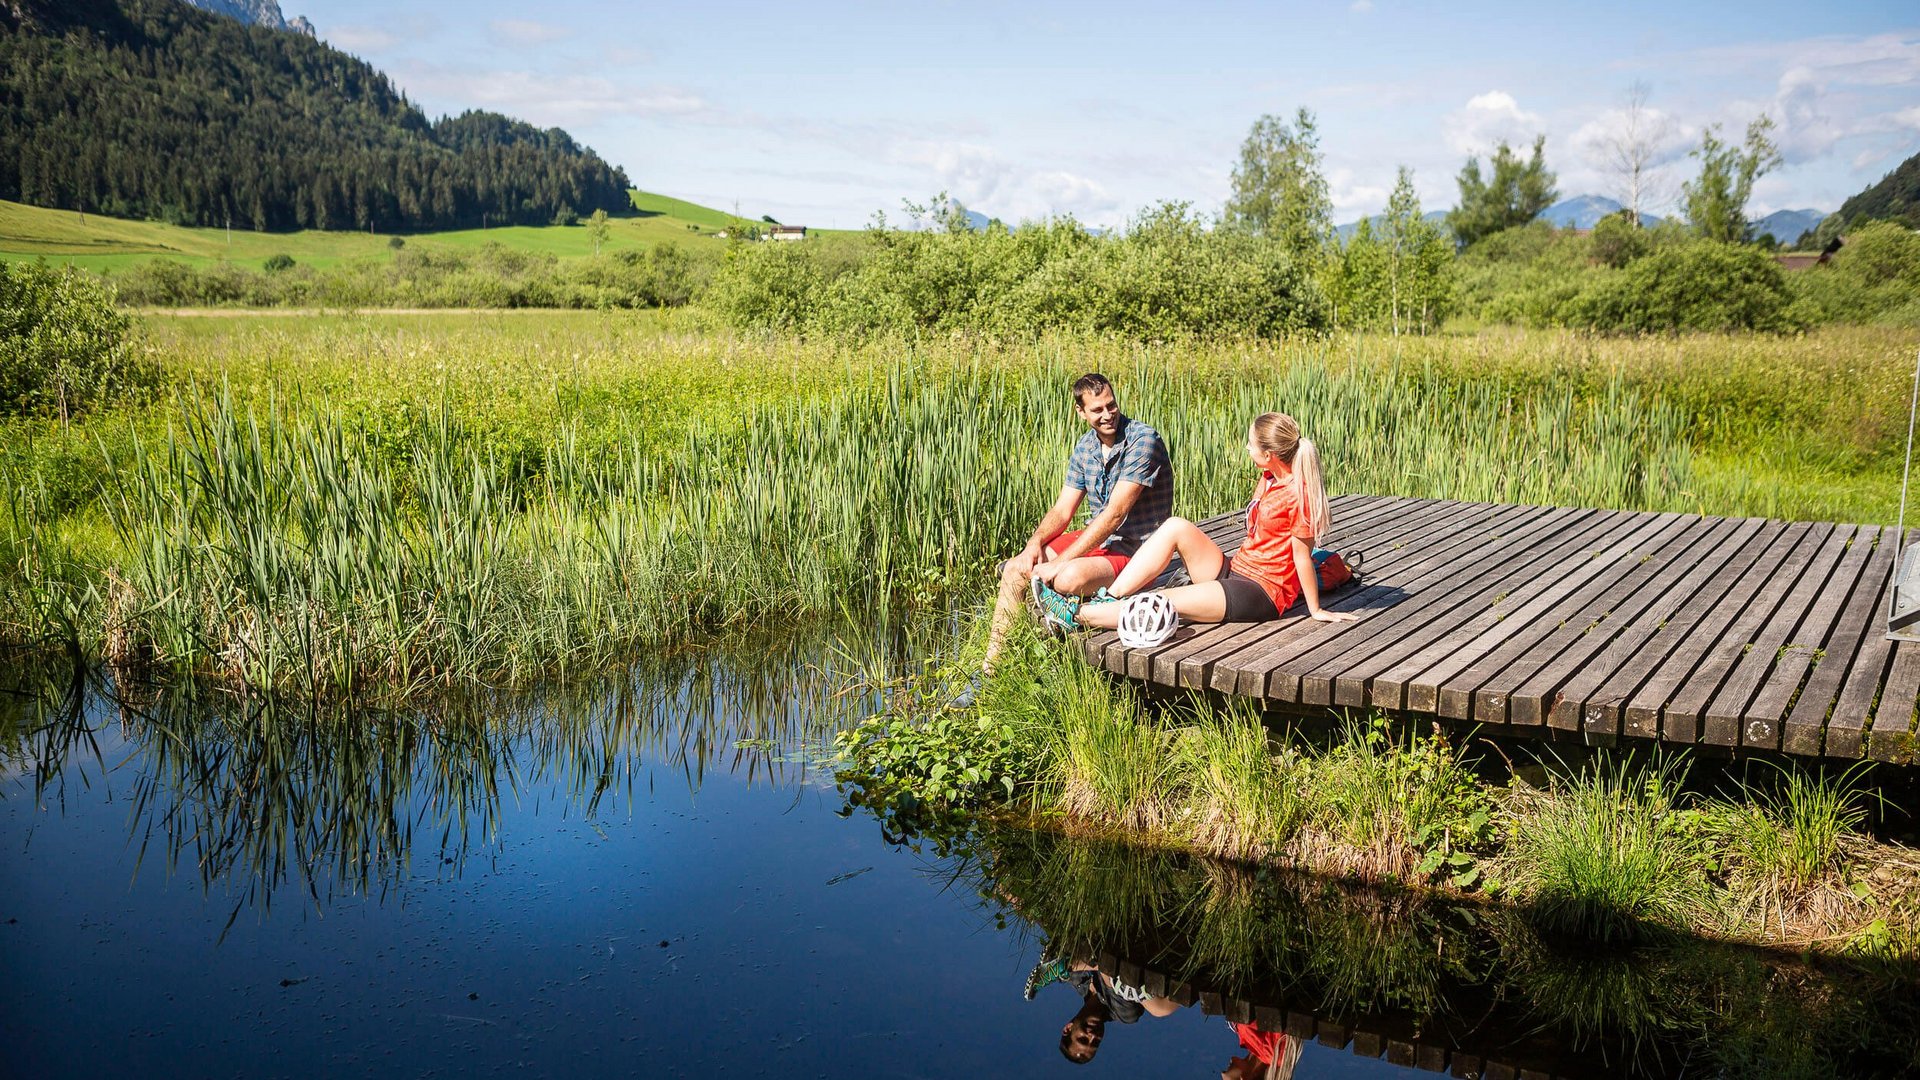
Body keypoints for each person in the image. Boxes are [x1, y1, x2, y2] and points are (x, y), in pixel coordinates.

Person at [1036, 412, 1358, 631]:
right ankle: (1112, 597)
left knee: (1162, 601)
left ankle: (1078, 616)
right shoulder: (1268, 478)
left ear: (1269, 454)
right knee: (1176, 526)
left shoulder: (1297, 496)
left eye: (1251, 444)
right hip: (1238, 568)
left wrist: (1315, 610)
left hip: (1261, 593)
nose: (1247, 447)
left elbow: (1302, 557)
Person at [982, 372, 1174, 672]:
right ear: (1080, 412)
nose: (1107, 415)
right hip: (1101, 540)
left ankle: (1054, 636)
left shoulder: (1143, 439)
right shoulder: (1086, 446)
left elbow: (1115, 514)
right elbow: (1062, 510)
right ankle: (992, 665)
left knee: (1067, 578)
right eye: (1097, 410)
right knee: (1018, 567)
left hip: (1139, 550)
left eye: (1111, 406)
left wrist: (1061, 562)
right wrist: (1033, 545)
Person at [1056, 960, 1181, 1064]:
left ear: (1068, 1028)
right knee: (1159, 1010)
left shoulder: (1078, 982)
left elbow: (1058, 962)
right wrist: (1078, 965)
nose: (1093, 1036)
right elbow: (1109, 966)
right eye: (1095, 1042)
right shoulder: (1124, 1013)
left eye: (1083, 1039)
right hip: (1147, 957)